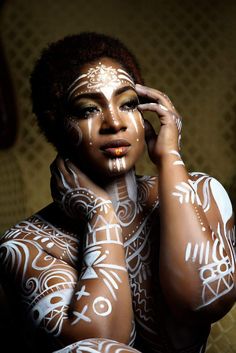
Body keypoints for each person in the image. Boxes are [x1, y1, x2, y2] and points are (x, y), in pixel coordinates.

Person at [0, 32, 235, 353]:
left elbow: (201, 301)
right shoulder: (25, 244)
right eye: (87, 110)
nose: (114, 122)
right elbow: (99, 344)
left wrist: (170, 159)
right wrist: (100, 214)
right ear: (58, 128)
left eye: (128, 103)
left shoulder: (201, 192)